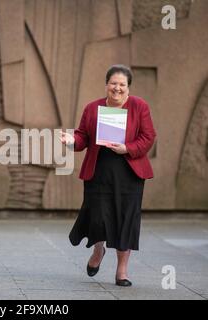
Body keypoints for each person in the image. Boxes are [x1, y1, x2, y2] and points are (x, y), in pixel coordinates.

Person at [60, 64, 156, 287]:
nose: (117, 88)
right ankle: (98, 251)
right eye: (113, 83)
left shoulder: (139, 106)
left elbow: (148, 136)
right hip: (99, 171)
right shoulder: (93, 108)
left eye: (122, 84)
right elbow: (82, 136)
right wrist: (72, 141)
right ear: (106, 85)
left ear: (128, 88)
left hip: (129, 173)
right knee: (99, 218)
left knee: (125, 220)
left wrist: (128, 148)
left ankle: (121, 271)